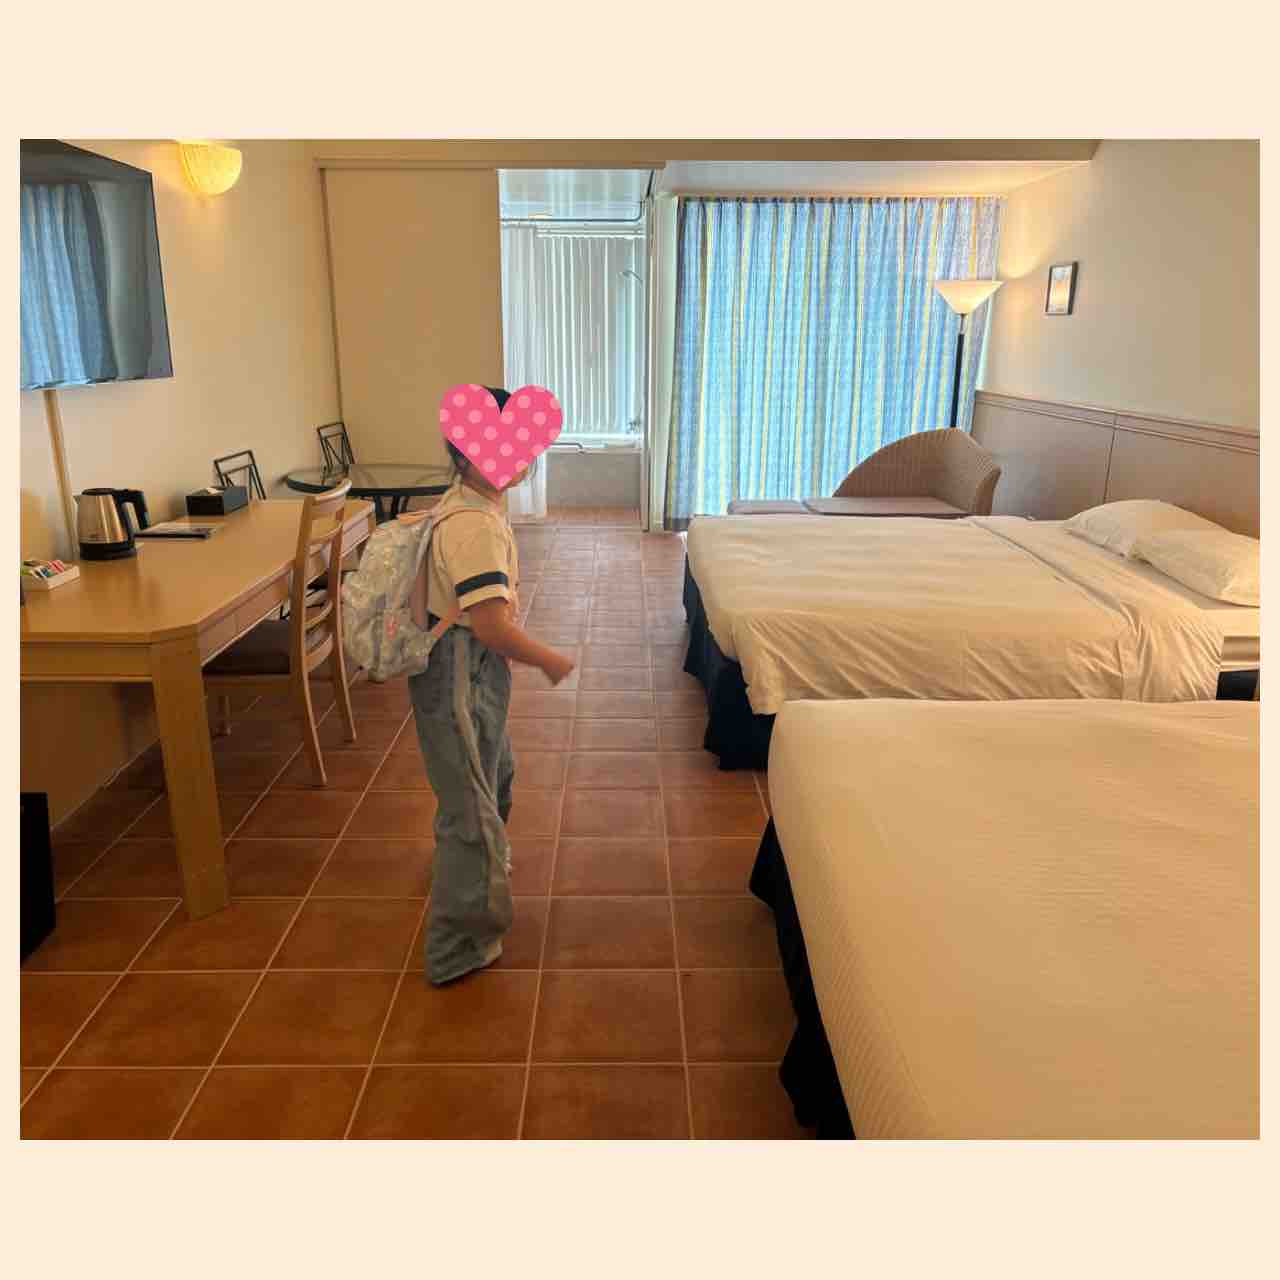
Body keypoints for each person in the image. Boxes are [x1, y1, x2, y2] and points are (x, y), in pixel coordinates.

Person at [408, 386, 575, 985]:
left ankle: (475, 865)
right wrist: (548, 659)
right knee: (471, 804)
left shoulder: (472, 505)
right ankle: (458, 946)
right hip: (460, 670)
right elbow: (491, 626)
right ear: (462, 454)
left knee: (492, 774)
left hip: (472, 669)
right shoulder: (473, 526)